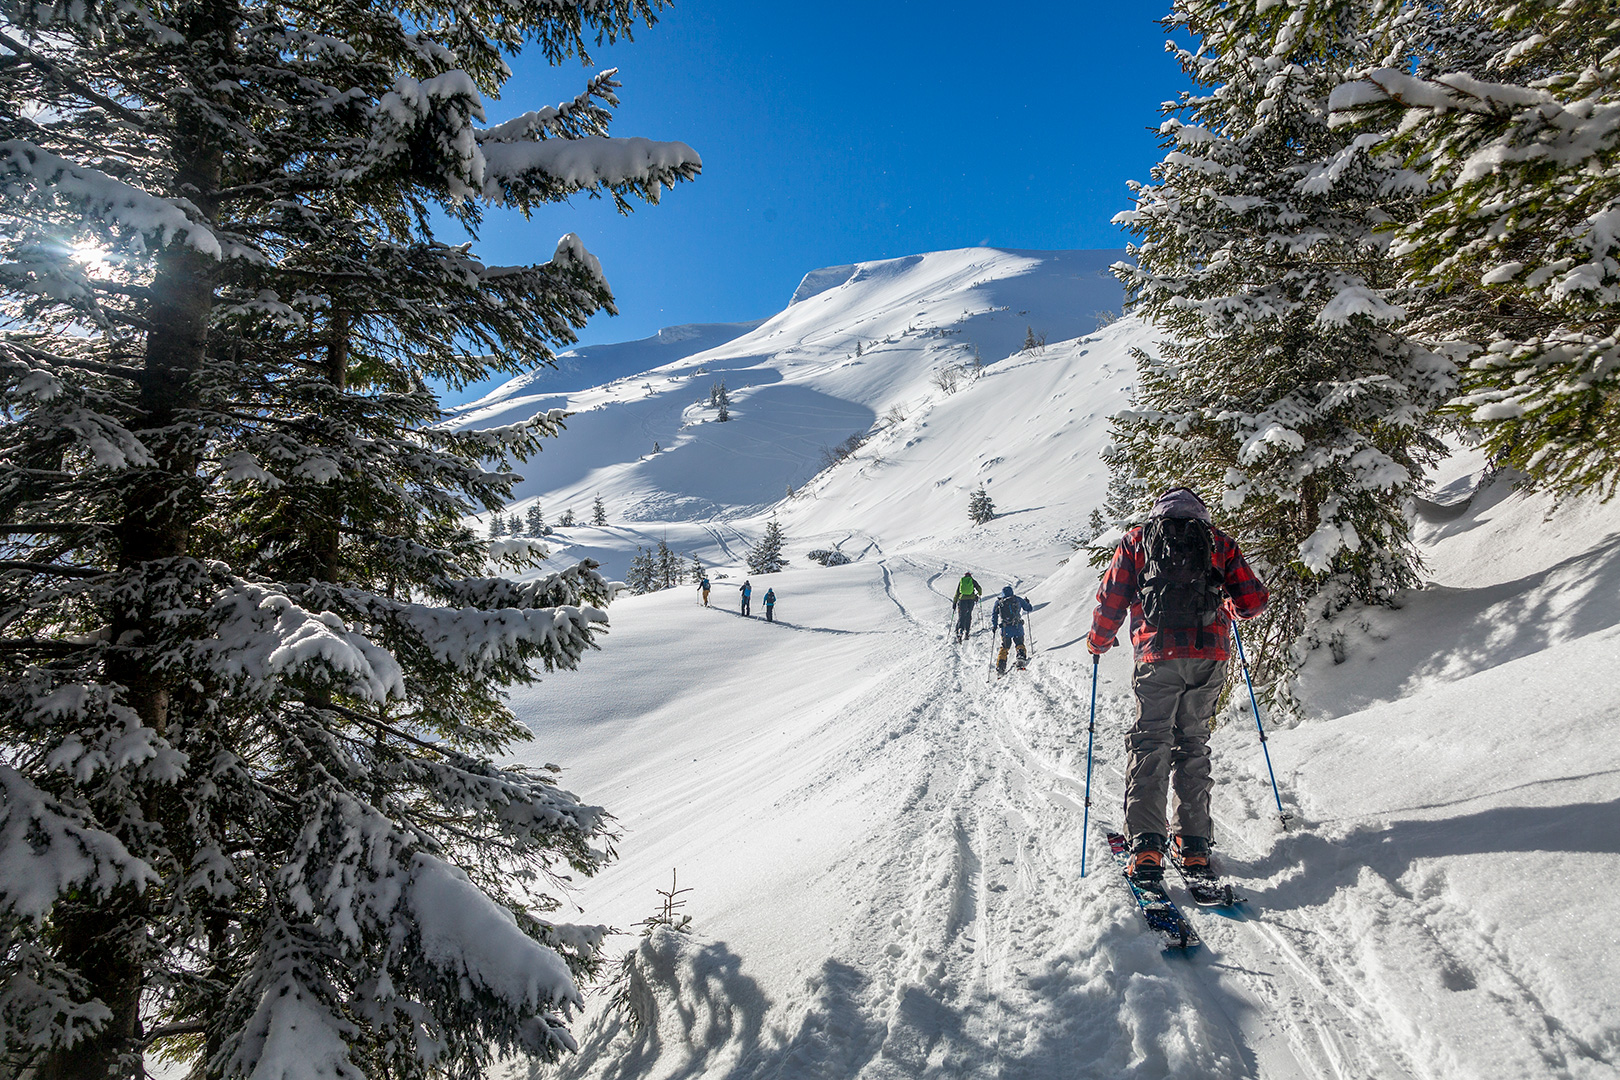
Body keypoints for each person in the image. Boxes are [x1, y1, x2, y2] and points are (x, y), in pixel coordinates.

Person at [1086, 486, 1269, 885]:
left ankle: (1148, 845)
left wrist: (1099, 640)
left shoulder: (1138, 541)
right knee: (1193, 744)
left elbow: (1112, 598)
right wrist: (1230, 608)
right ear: (1200, 512)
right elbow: (1252, 601)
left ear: (1159, 511)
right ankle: (1193, 845)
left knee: (1151, 741)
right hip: (1209, 656)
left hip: (1156, 655)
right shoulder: (1219, 542)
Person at [990, 585, 1032, 674]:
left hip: (1005, 629)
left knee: (1005, 647)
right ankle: (1020, 656)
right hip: (1017, 627)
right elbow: (1029, 608)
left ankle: (1001, 666)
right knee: (1019, 643)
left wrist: (994, 626)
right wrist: (1027, 602)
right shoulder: (1017, 599)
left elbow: (994, 615)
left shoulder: (999, 602)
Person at [954, 572, 982, 642]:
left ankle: (960, 630)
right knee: (968, 614)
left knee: (962, 615)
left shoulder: (961, 581)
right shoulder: (972, 581)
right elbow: (979, 589)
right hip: (971, 600)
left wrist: (954, 602)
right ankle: (967, 632)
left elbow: (957, 592)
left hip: (962, 600)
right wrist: (977, 595)